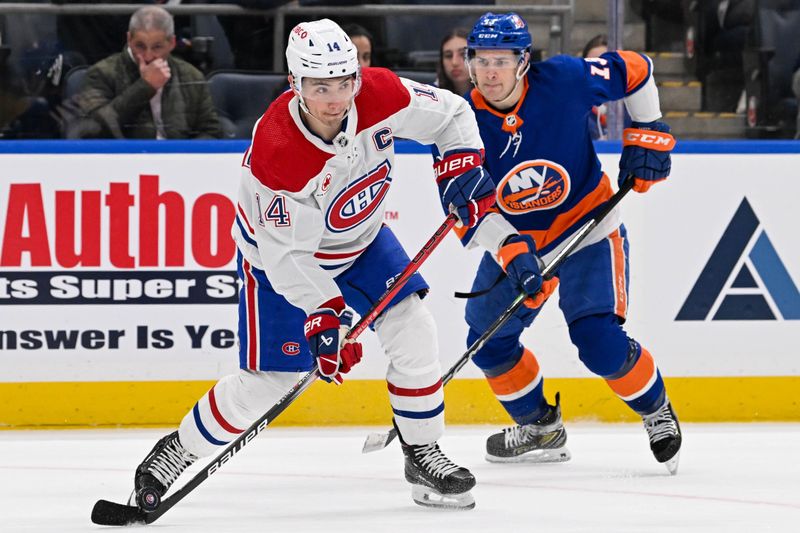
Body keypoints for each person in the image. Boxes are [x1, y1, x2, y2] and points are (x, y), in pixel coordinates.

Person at [128, 19, 498, 512]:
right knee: (270, 382)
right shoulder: (278, 153)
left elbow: (451, 114)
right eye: (319, 87)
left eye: (344, 83)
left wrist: (462, 170)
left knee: (414, 328)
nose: (334, 99)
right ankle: (175, 452)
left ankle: (422, 449)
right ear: (293, 83)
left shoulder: (380, 93)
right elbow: (288, 259)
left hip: (363, 241)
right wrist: (327, 315)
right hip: (284, 263)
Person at [454, 12, 682, 473]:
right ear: (469, 63)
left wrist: (650, 128)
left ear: (523, 62)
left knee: (596, 339)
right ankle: (540, 426)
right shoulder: (458, 123)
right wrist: (512, 252)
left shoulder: (564, 79)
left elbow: (638, 70)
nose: (490, 72)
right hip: (518, 241)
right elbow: (469, 208)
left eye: (502, 60)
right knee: (487, 339)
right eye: (481, 60)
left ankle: (657, 409)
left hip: (586, 226)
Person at [73, 5, 222, 139]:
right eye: (140, 46)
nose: (148, 56)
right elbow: (92, 130)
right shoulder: (101, 73)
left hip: (177, 162)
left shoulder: (192, 75)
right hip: (125, 161)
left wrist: (185, 159)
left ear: (172, 43)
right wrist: (145, 87)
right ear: (129, 39)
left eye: (157, 47)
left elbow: (211, 132)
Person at [437, 28, 471, 96]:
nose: (454, 62)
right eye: (448, 56)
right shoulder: (432, 94)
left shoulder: (493, 97)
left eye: (463, 54)